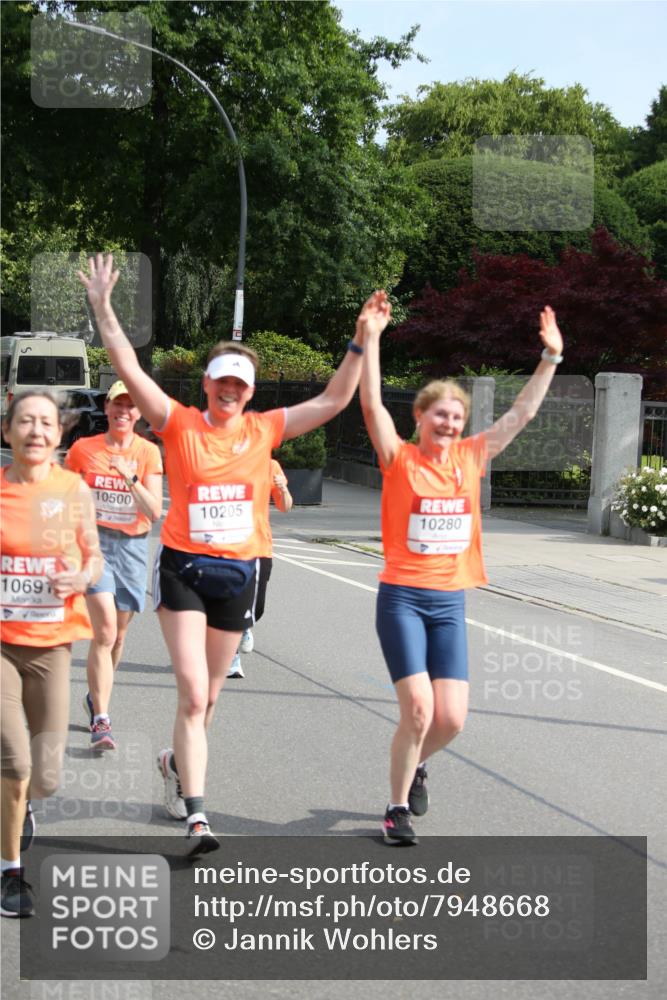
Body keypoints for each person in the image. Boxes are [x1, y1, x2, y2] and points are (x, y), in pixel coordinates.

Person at [78, 253, 388, 855]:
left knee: (211, 698)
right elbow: (126, 365)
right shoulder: (178, 422)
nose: (229, 388)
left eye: (239, 383)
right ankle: (198, 816)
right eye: (221, 379)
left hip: (237, 574)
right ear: (207, 384)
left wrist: (359, 340)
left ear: (249, 392)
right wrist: (102, 307)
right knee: (193, 694)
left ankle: (173, 765)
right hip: (184, 568)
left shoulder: (264, 429)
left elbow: (331, 402)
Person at [359, 298, 564, 845]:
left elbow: (520, 415)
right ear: (420, 418)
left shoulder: (472, 456)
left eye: (456, 416)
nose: (449, 422)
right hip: (402, 597)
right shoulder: (398, 457)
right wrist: (371, 336)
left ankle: (417, 764)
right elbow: (371, 401)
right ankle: (396, 808)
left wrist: (550, 358)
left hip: (450, 602)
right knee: (420, 708)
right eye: (439, 414)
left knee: (450, 719)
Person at [1, 391, 101, 916]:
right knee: (14, 763)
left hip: (52, 644)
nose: (36, 431)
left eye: (45, 423)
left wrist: (80, 577)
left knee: (45, 776)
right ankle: (11, 872)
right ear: (8, 432)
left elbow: (95, 560)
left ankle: (20, 810)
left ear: (59, 435)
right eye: (25, 422)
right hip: (0, 645)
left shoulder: (73, 491)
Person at [65, 380, 163, 750]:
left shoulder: (148, 453)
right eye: (117, 405)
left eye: (130, 406)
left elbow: (153, 511)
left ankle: (96, 696)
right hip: (94, 546)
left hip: (133, 547)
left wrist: (129, 475)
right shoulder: (83, 450)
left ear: (139, 414)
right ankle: (102, 721)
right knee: (104, 633)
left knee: (118, 636)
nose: (123, 412)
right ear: (106, 409)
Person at [227, 458, 293, 678]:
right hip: (229, 546)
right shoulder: (225, 460)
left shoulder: (270, 465)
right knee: (231, 602)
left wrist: (283, 489)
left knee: (259, 606)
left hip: (259, 546)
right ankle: (231, 658)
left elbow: (286, 506)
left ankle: (246, 625)